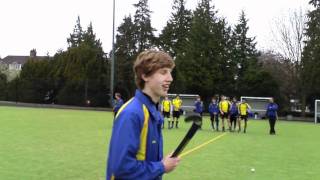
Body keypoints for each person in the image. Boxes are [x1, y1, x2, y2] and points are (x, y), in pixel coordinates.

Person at [106, 50, 180, 180]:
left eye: (170, 72)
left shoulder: (152, 111)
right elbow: (122, 169)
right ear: (145, 76)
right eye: (163, 72)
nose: (170, 78)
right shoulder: (132, 113)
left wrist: (162, 163)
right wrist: (161, 167)